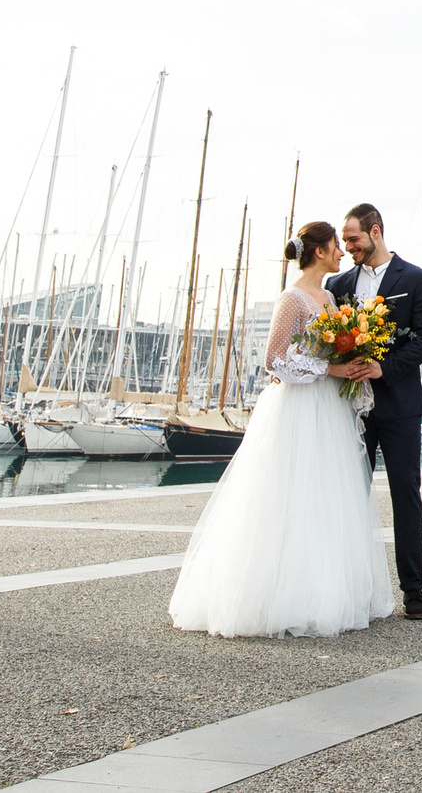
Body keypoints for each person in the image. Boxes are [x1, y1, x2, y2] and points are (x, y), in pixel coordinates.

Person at [168, 222, 395, 637]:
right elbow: (274, 359)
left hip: (327, 406)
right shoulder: (291, 299)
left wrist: (350, 366)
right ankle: (274, 597)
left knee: (322, 497)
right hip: (298, 407)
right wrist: (332, 367)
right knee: (286, 493)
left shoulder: (327, 296)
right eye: (335, 247)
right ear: (321, 251)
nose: (342, 253)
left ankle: (320, 591)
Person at [326, 204, 422, 621]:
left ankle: (414, 591)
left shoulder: (416, 280)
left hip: (398, 406)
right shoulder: (336, 284)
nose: (349, 247)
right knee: (347, 497)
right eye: (345, 241)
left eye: (354, 239)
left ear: (375, 231)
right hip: (348, 408)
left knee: (405, 496)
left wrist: (384, 367)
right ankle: (348, 590)